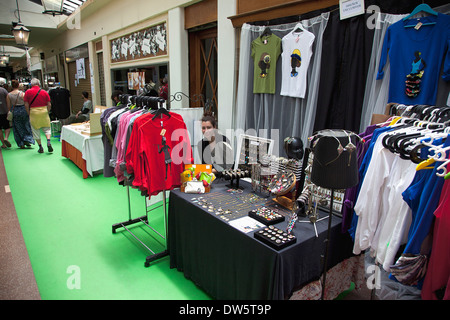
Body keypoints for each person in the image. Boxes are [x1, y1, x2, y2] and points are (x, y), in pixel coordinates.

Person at [24, 78, 53, 154]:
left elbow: (26, 104)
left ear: (31, 84)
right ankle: (48, 141)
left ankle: (40, 147)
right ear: (39, 84)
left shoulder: (27, 92)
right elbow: (49, 104)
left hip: (33, 112)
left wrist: (28, 112)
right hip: (44, 111)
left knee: (35, 130)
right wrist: (47, 111)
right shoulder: (44, 92)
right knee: (47, 128)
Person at [6, 80, 34, 149]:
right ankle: (27, 139)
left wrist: (10, 111)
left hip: (15, 111)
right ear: (18, 85)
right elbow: (26, 103)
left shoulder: (9, 95)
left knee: (17, 127)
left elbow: (9, 106)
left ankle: (21, 143)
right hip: (23, 110)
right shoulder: (22, 94)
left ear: (12, 86)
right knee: (26, 125)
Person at [0, 80, 11, 149]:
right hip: (4, 111)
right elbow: (8, 100)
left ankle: (3, 144)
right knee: (7, 127)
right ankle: (6, 138)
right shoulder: (3, 90)